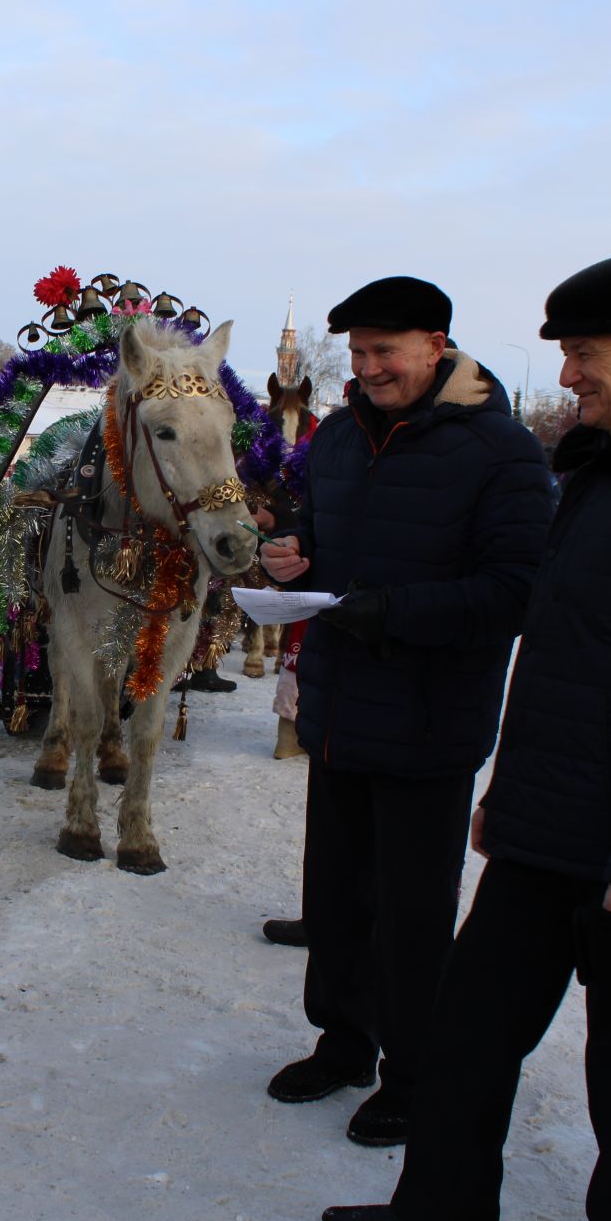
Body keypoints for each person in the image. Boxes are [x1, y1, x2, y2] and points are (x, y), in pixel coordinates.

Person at [320, 255, 611, 1221]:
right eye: (568, 354)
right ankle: (438, 1211)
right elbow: (563, 657)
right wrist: (509, 791)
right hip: (544, 823)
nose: (567, 375)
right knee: (468, 1036)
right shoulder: (608, 469)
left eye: (584, 354)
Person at [255, 277, 552, 1148]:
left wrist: (391, 611)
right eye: (357, 355)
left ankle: (414, 1071)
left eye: (386, 352)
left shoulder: (502, 453)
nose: (369, 369)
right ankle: (344, 1041)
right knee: (337, 897)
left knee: (412, 913)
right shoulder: (342, 436)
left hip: (428, 720)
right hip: (342, 709)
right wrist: (292, 555)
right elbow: (323, 537)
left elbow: (517, 591)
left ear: (437, 345)